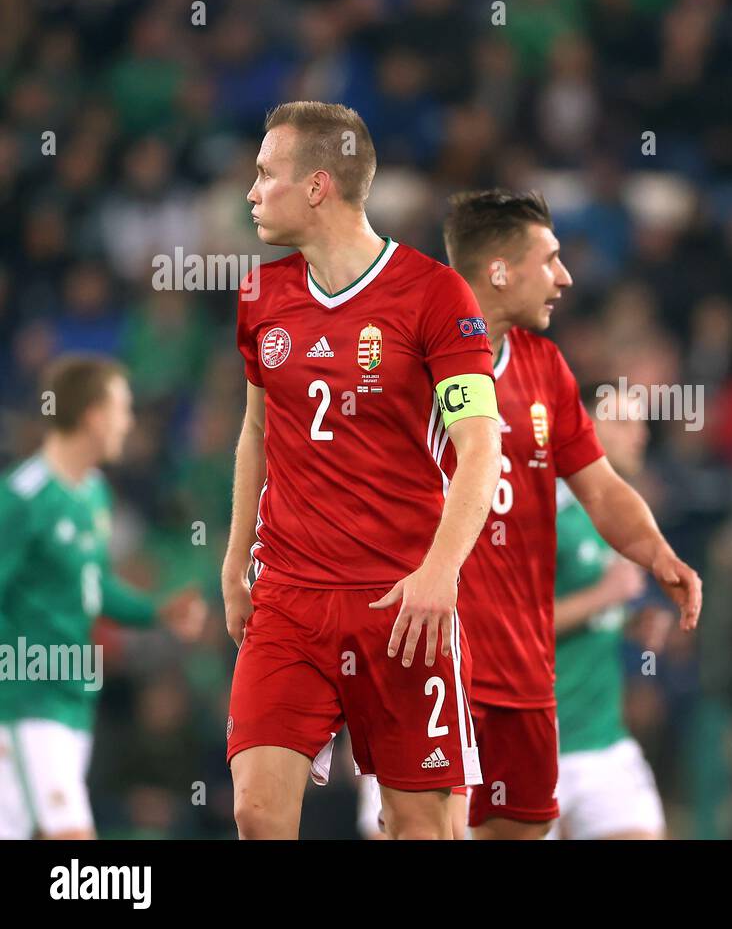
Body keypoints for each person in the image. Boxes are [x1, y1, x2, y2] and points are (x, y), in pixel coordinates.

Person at [360, 189, 701, 840]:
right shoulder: (402, 360)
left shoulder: (546, 368)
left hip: (520, 670)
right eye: (549, 260)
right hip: (431, 653)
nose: (565, 278)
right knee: (426, 829)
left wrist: (657, 554)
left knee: (516, 830)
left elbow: (600, 485)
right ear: (499, 271)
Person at [223, 102, 501, 840]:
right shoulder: (260, 296)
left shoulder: (437, 295)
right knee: (255, 809)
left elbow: (480, 446)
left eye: (264, 174)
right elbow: (257, 430)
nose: (251, 192)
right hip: (289, 598)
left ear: (317, 186)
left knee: (420, 827)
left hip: (403, 604)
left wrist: (442, 570)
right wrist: (232, 562)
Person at [0, 354, 206, 839]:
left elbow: (92, 586)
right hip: (26, 698)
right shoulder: (24, 499)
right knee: (74, 841)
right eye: (122, 409)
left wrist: (156, 611)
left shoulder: (94, 494)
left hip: (73, 699)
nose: (128, 423)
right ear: (93, 415)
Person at [551, 386, 672, 840]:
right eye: (623, 422)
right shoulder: (547, 510)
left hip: (603, 742)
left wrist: (627, 622)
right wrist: (604, 597)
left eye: (641, 422)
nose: (640, 435)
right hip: (534, 743)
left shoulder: (622, 514)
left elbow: (588, 614)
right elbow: (508, 627)